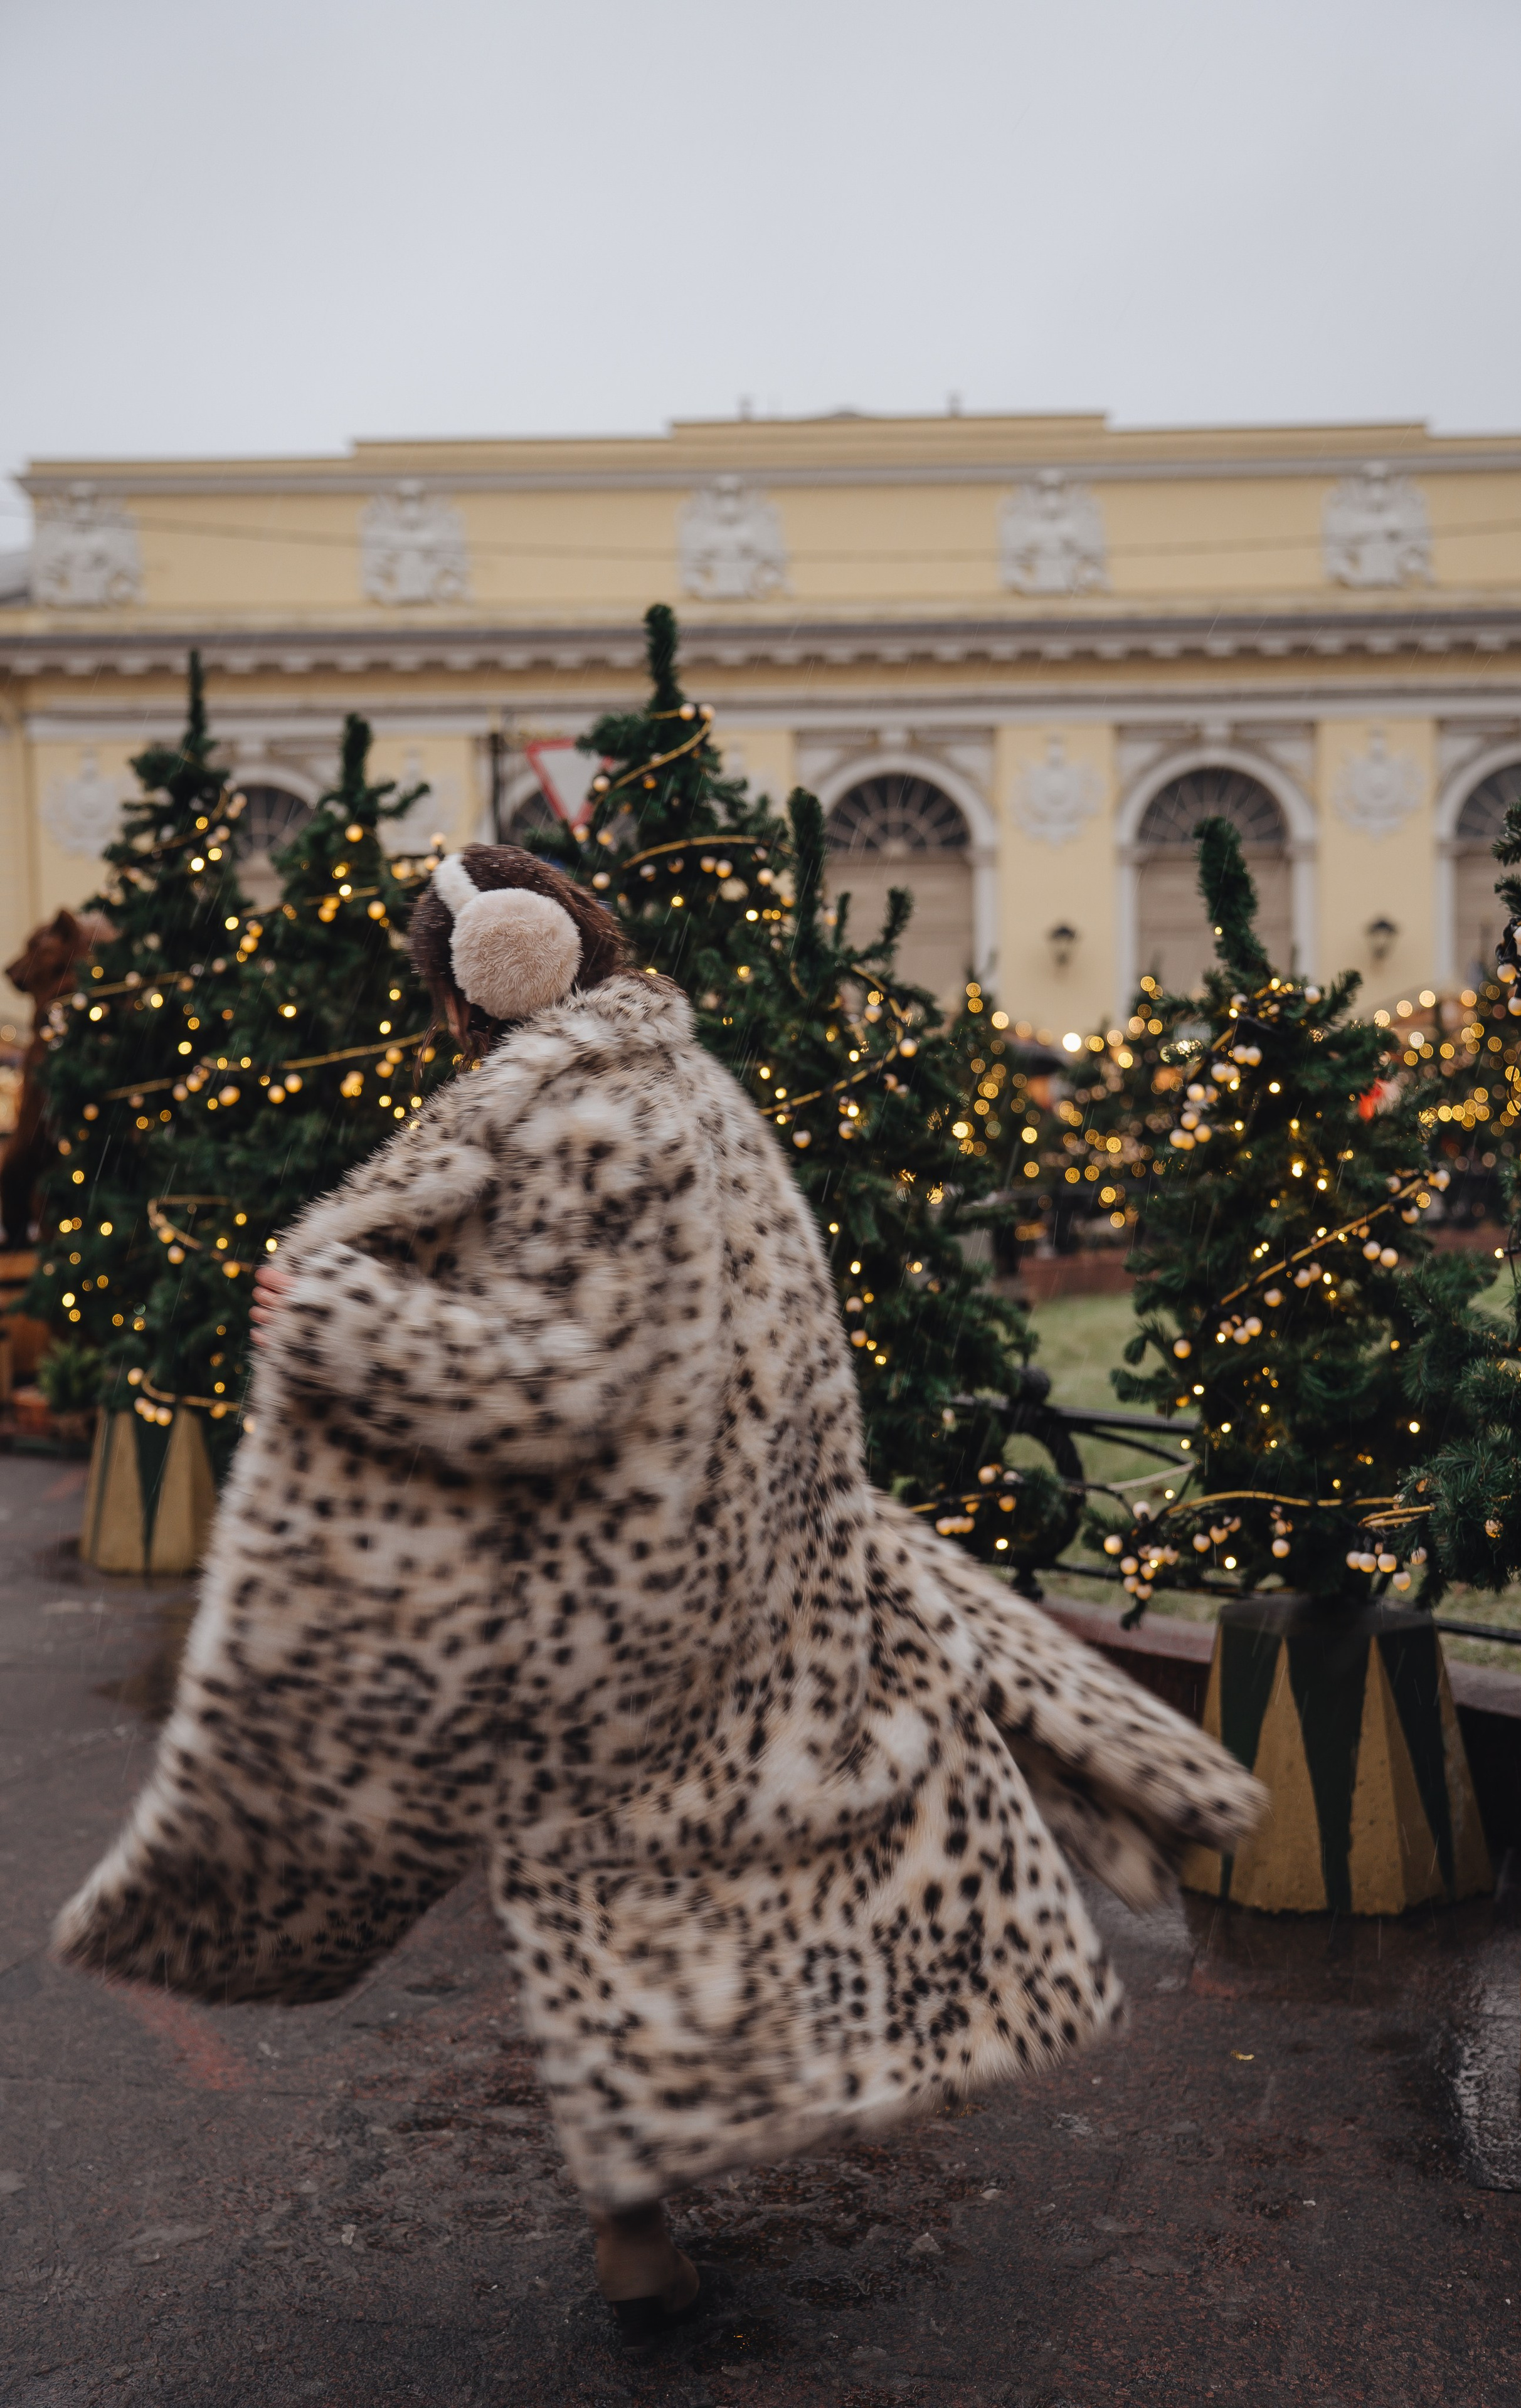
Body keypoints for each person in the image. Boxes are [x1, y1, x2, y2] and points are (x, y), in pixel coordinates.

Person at [55, 845, 1259, 2351]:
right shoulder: (688, 1090)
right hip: (755, 1565)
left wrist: (344, 1319)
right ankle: (718, 2151)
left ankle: (637, 2220)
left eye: (435, 989)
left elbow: (560, 1383)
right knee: (746, 1854)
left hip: (614, 1596)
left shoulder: (580, 1126)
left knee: (590, 1892)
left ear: (480, 977)